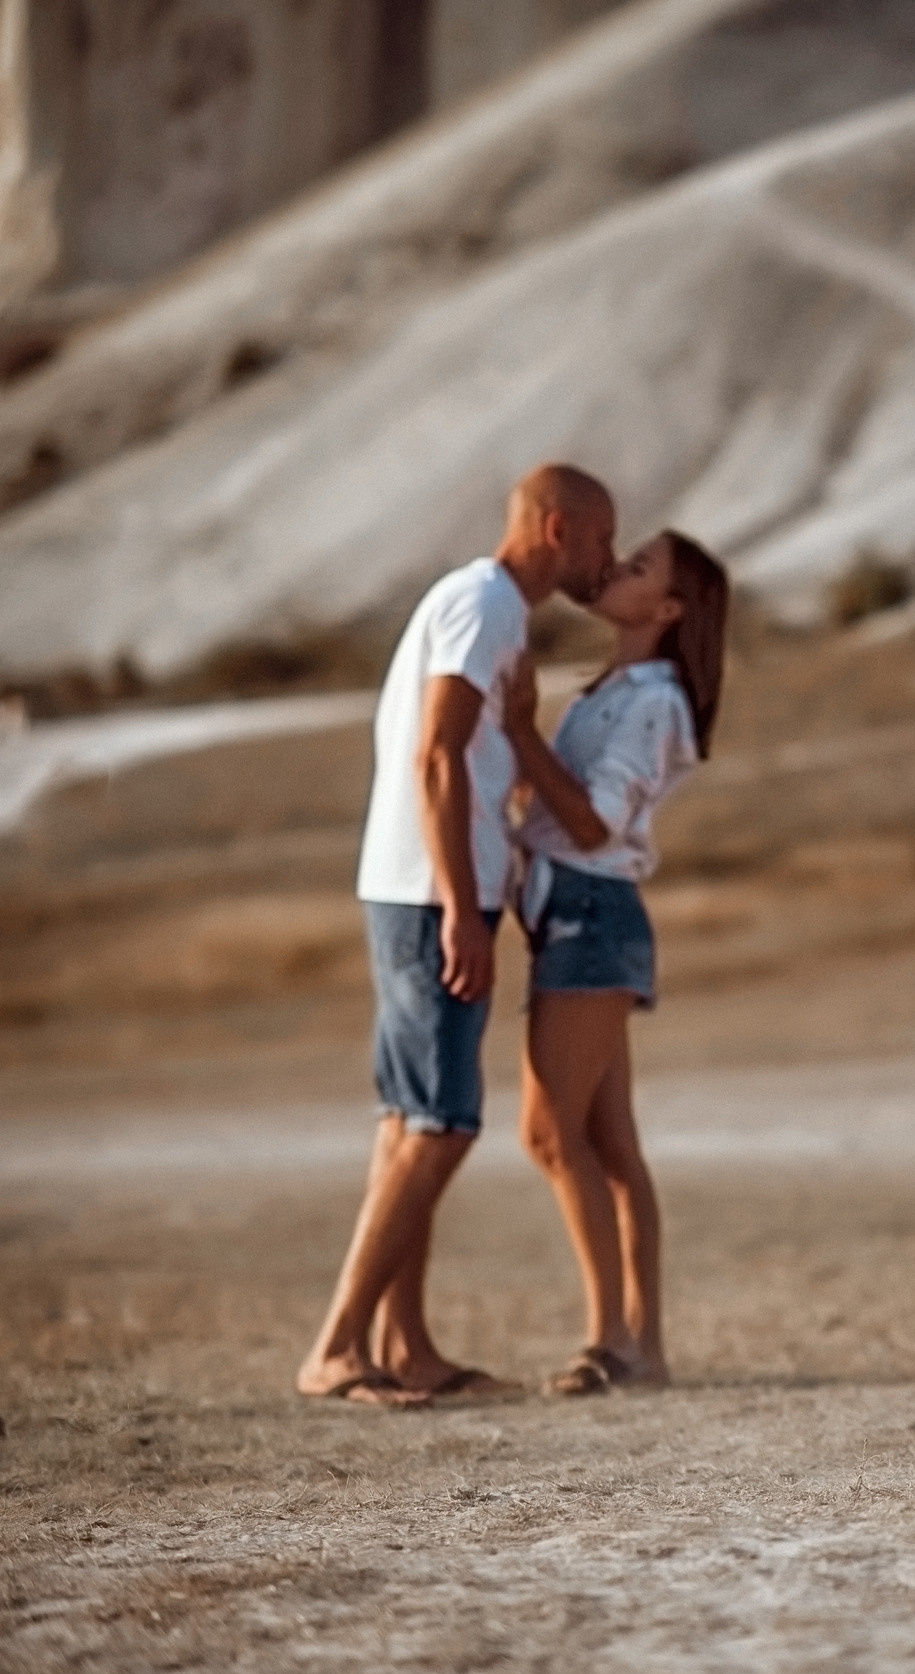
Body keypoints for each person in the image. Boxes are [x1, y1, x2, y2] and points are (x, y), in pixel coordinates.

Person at [296, 465, 617, 1408]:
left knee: (409, 1122)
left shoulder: (473, 600)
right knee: (440, 1123)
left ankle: (406, 1344)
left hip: (415, 884)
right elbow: (437, 751)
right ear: (557, 529)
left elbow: (459, 756)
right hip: (431, 892)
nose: (605, 558)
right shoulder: (488, 605)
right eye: (601, 539)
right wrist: (456, 901)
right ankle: (336, 1348)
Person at [500, 530, 728, 1396]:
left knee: (550, 1134)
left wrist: (519, 730)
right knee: (608, 1143)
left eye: (640, 570)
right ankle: (647, 1351)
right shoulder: (613, 691)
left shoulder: (651, 701)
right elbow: (558, 810)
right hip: (575, 912)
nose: (619, 570)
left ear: (666, 612)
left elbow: (592, 825)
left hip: (589, 914)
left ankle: (609, 1341)